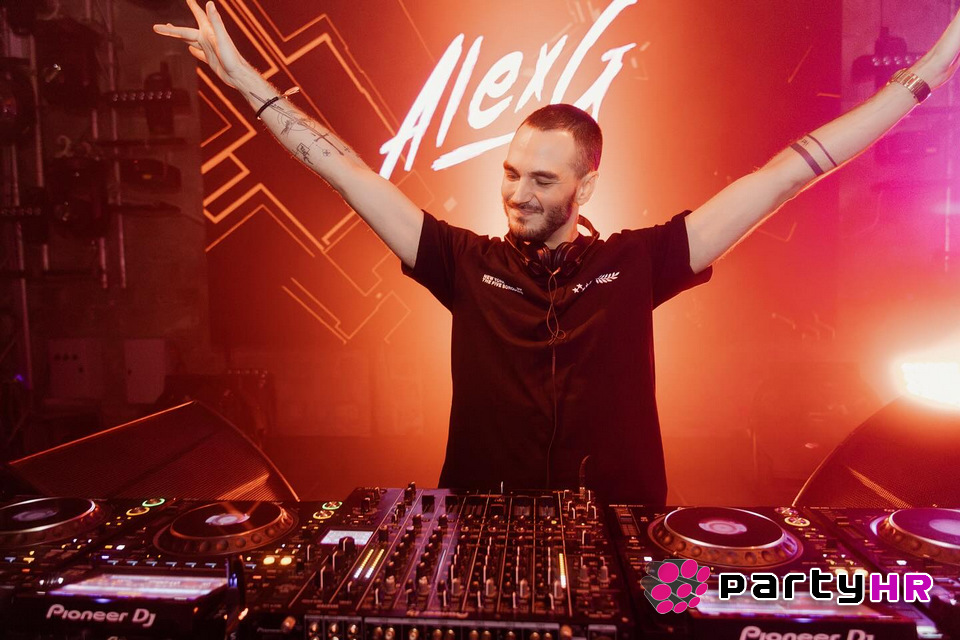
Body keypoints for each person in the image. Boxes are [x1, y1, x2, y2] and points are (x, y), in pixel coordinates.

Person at [155, 1, 960, 504]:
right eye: (510, 173)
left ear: (586, 185)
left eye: (541, 179)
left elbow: (787, 174)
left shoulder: (641, 263)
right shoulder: (462, 262)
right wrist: (243, 77)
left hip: (620, 528)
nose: (518, 193)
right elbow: (343, 170)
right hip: (481, 529)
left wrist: (928, 70)